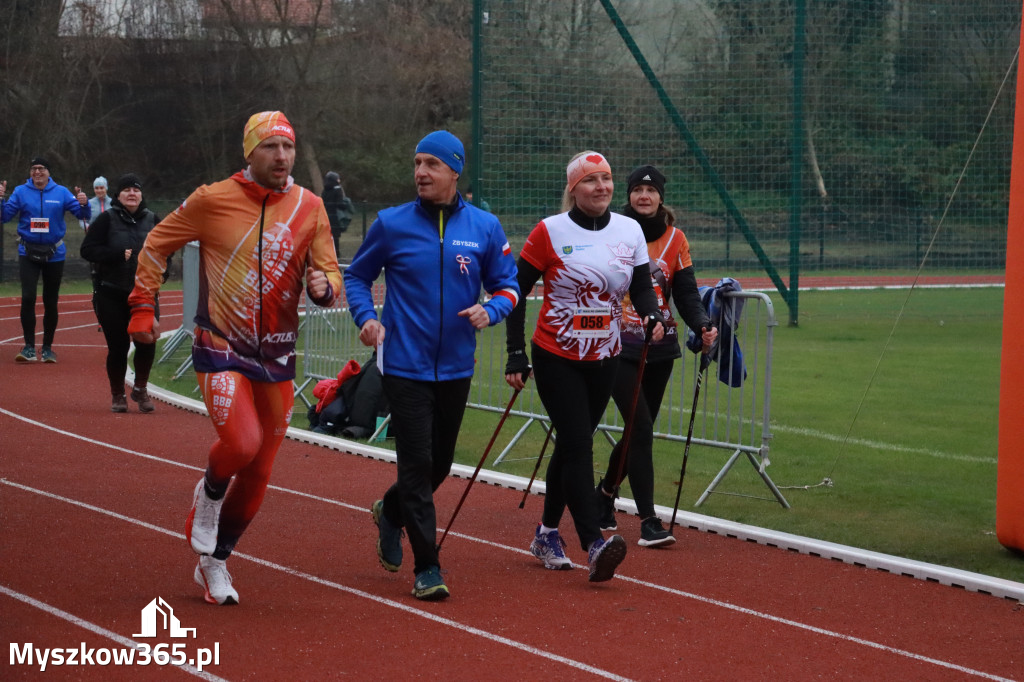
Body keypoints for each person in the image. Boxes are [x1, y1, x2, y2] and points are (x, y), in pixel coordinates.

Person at [126, 111, 342, 606]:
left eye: (288, 147)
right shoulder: (212, 199)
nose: (282, 157)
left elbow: (328, 270)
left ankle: (215, 561)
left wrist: (324, 285)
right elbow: (157, 243)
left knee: (262, 469)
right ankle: (209, 491)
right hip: (220, 347)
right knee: (241, 444)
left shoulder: (310, 207)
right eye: (270, 147)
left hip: (277, 356)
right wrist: (142, 304)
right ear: (249, 153)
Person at [344, 130, 520, 601]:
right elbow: (357, 276)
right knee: (417, 462)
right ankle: (428, 567)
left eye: (432, 164)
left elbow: (509, 285)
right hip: (403, 364)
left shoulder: (485, 226)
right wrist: (366, 318)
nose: (421, 172)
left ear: (455, 171)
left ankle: (391, 511)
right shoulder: (391, 223)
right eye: (417, 162)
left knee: (439, 464)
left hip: (457, 366)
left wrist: (493, 309)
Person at [503, 151, 665, 583]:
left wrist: (652, 316)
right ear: (573, 188)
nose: (602, 187)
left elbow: (642, 288)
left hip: (605, 355)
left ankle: (546, 532)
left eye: (607, 179)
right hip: (556, 354)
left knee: (573, 444)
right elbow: (514, 292)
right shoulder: (549, 232)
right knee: (578, 441)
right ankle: (594, 540)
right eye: (591, 180)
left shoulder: (629, 230)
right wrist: (515, 353)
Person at [594, 165, 717, 548]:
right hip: (617, 346)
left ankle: (604, 495)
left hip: (660, 349)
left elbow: (686, 292)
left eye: (650, 190)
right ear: (627, 195)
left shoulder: (676, 239)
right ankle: (648, 520)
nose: (643, 196)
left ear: (661, 196)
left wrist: (702, 323)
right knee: (642, 427)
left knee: (636, 431)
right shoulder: (610, 229)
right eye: (636, 189)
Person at [81, 173, 163, 413]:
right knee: (118, 347)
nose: (131, 193)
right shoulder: (107, 219)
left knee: (147, 342)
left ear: (141, 195)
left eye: (135, 190)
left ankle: (141, 389)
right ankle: (118, 394)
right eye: (126, 190)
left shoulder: (152, 220)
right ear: (117, 195)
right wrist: (115, 256)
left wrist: (162, 275)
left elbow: (165, 251)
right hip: (111, 292)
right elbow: (87, 250)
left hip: (144, 294)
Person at [0, 157, 90, 364]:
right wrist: (0, 199)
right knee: (28, 297)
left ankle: (48, 348)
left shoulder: (61, 192)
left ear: (49, 172)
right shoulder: (21, 191)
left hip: (54, 253)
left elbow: (81, 214)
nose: (37, 172)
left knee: (50, 301)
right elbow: (4, 217)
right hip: (28, 251)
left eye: (41, 168)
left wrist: (83, 203)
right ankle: (29, 347)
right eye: (34, 169)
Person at [321, 171, 354, 255]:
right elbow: (340, 203)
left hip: (326, 216)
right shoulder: (338, 189)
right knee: (335, 237)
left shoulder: (325, 190)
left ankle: (327, 253)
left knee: (327, 236)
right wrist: (346, 205)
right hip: (335, 217)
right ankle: (336, 254)